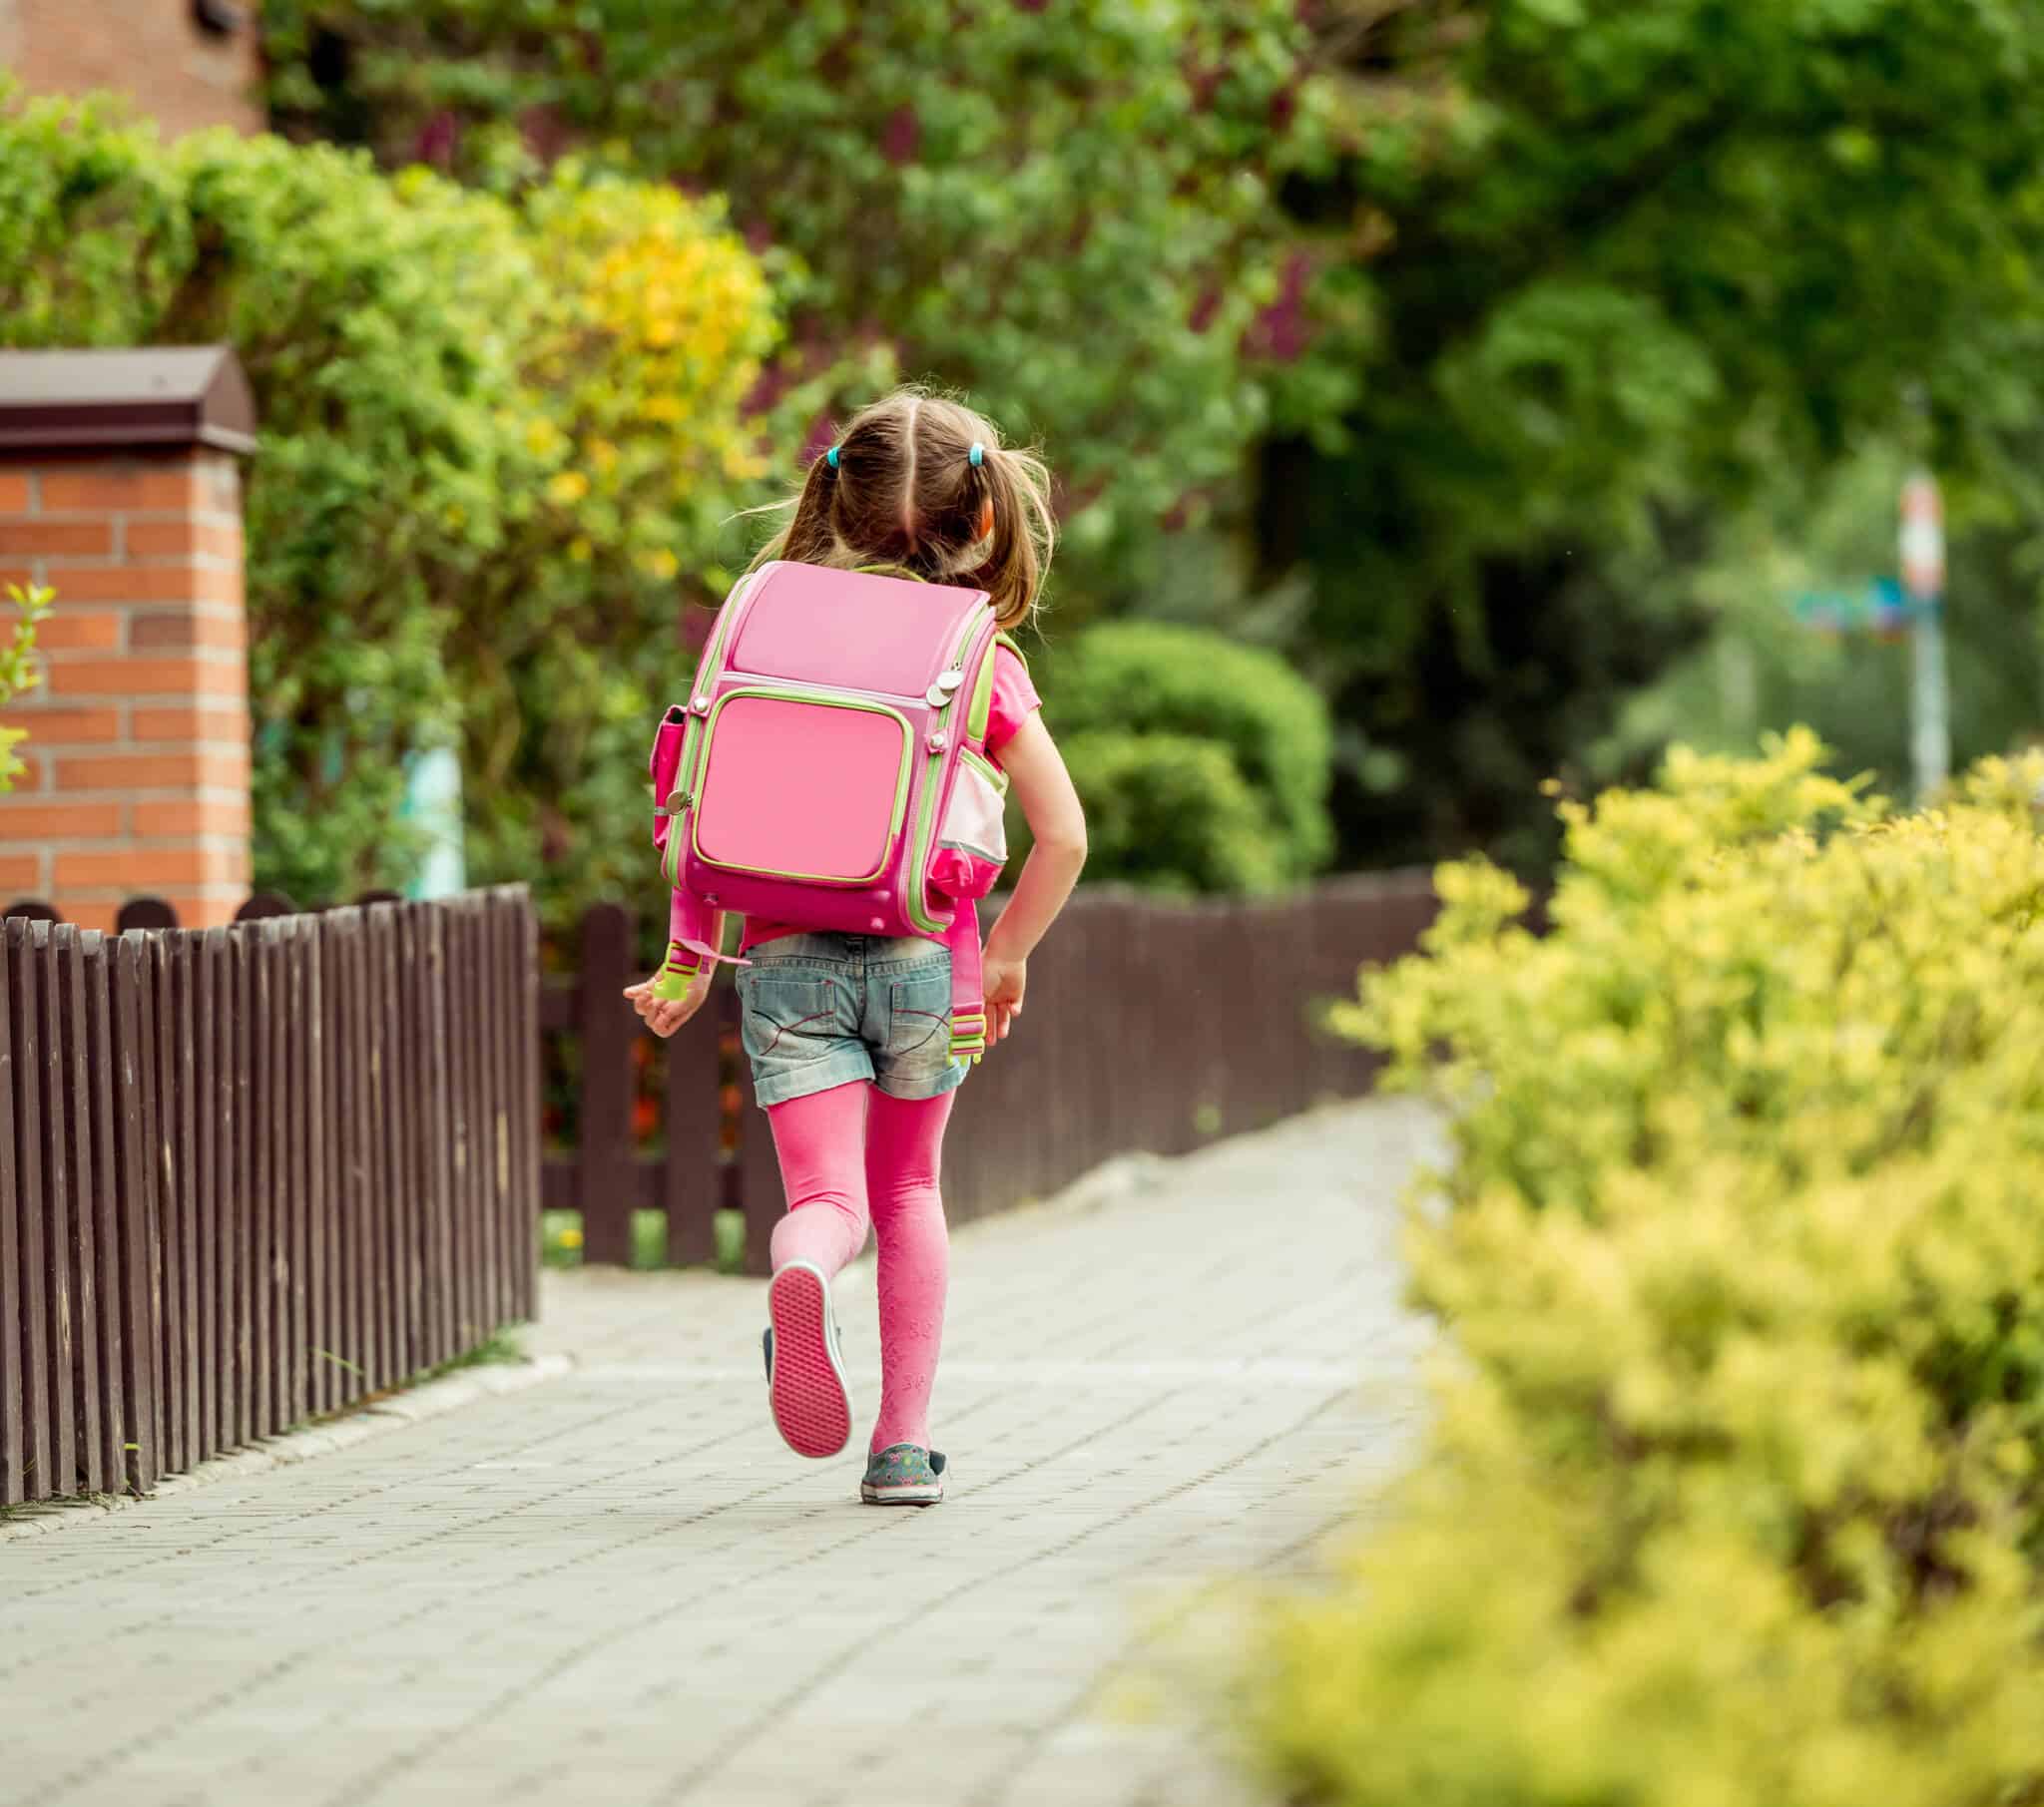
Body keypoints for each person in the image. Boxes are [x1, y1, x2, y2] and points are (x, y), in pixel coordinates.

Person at [625, 389, 1088, 1506]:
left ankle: (799, 1266)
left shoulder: (768, 624)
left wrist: (692, 955)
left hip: (784, 959)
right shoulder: (980, 657)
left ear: (829, 496)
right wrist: (1010, 950)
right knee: (911, 1186)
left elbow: (691, 795)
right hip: (925, 960)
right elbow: (1062, 834)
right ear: (980, 519)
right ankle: (899, 1446)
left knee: (827, 1198)